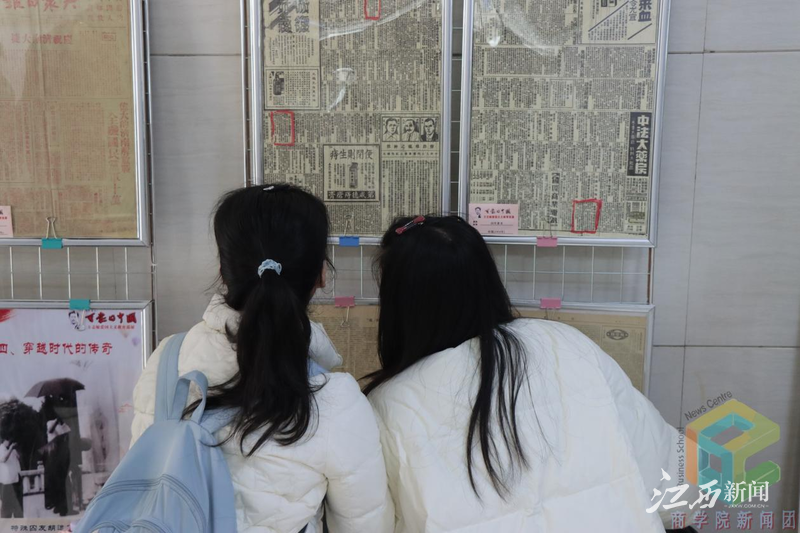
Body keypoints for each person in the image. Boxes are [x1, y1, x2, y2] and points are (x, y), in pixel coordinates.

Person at [365, 215, 685, 532]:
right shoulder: (566, 343)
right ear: (486, 278)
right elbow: (668, 471)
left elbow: (371, 522)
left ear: (401, 305)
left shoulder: (388, 405)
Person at [130, 184, 393, 533]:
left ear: (222, 270)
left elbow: (139, 480)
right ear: (321, 275)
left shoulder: (167, 360)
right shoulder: (335, 400)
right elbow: (365, 527)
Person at [0, 438, 22, 518]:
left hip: (16, 480)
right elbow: (3, 459)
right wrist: (11, 449)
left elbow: (19, 458)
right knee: (6, 509)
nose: (10, 442)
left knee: (18, 507)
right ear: (4, 440)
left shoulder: (12, 450)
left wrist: (15, 450)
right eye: (9, 440)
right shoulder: (1, 449)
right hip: (6, 483)